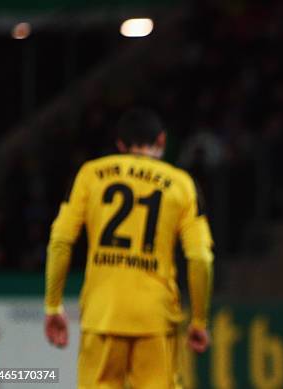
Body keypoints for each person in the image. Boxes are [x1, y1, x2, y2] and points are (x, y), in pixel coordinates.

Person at [44, 108, 214, 389]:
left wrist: (53, 305)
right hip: (156, 318)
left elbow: (60, 241)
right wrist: (198, 319)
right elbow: (201, 258)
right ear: (161, 140)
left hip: (102, 315)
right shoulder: (183, 185)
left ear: (120, 144)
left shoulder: (89, 175)